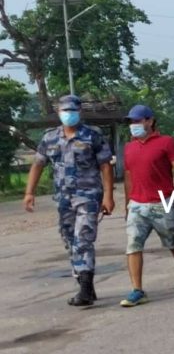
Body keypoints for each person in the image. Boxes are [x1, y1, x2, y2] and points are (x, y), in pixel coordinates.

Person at [24, 95, 115, 306]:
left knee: (83, 238)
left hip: (88, 196)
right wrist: (30, 192)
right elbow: (38, 164)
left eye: (73, 110)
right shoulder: (50, 138)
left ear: (80, 111)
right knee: (69, 240)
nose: (69, 114)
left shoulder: (92, 135)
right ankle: (86, 284)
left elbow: (105, 166)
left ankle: (84, 289)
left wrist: (108, 196)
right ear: (59, 112)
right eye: (65, 111)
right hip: (63, 198)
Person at [120, 105, 174, 307]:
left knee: (172, 242)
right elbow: (128, 177)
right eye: (131, 122)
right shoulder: (129, 147)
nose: (134, 125)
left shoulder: (166, 142)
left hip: (163, 202)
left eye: (137, 121)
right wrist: (127, 203)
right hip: (137, 203)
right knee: (133, 245)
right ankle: (137, 289)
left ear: (150, 121)